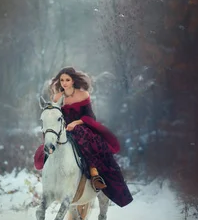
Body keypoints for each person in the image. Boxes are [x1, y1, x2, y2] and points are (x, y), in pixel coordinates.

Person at [34, 67, 133, 208]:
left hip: (82, 127)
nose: (64, 83)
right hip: (64, 130)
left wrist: (76, 122)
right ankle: (51, 178)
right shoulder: (57, 98)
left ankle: (94, 173)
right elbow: (54, 117)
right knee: (49, 146)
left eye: (67, 80)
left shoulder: (83, 94)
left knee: (84, 138)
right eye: (62, 80)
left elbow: (90, 117)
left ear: (73, 80)